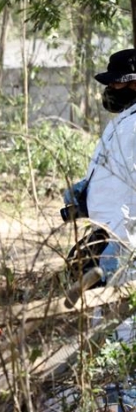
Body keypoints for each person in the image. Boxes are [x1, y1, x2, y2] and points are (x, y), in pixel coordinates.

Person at [78, 49, 136, 286]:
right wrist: (86, 189)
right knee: (102, 317)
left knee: (125, 318)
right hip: (108, 234)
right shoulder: (123, 120)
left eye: (115, 83)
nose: (109, 89)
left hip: (126, 241)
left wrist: (124, 240)